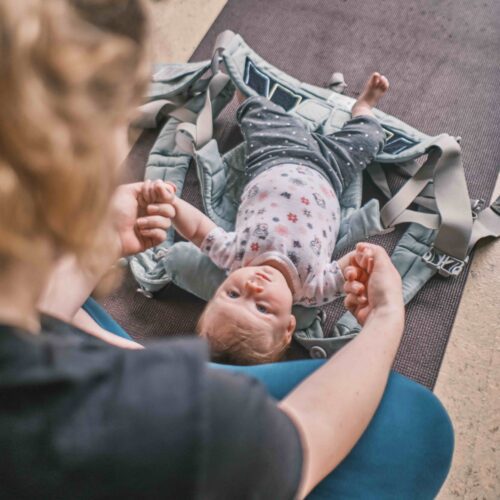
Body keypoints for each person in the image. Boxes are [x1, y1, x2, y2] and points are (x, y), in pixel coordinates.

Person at [0, 1, 453, 499]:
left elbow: (35, 318)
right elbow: (295, 453)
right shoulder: (197, 414)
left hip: (278, 165)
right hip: (324, 172)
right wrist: (387, 316)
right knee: (417, 423)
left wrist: (96, 246)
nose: (250, 288)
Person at [162, 75, 388, 364]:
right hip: (331, 171)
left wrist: (169, 203)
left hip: (273, 156)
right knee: (370, 137)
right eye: (262, 308)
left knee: (256, 111)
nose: (252, 288)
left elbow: (196, 230)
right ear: (289, 325)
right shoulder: (313, 289)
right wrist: (364, 260)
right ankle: (365, 106)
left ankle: (242, 88)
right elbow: (352, 267)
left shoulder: (235, 258)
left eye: (232, 293)